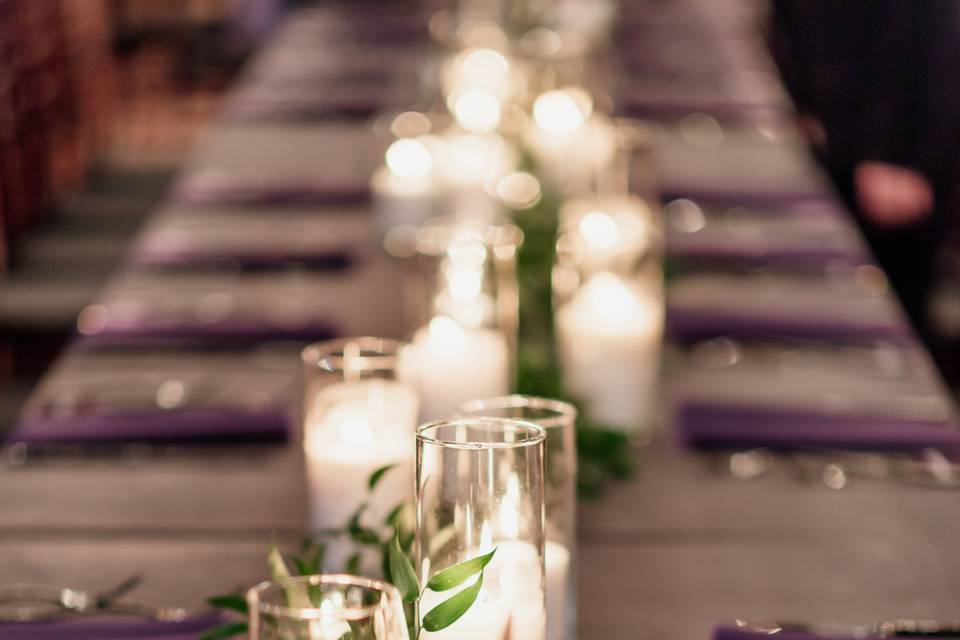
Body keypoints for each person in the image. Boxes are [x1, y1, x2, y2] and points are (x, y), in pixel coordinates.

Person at [770, 0, 960, 350]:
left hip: (898, 157)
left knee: (888, 330)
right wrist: (800, 96)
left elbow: (938, 38)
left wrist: (903, 157)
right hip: (833, 130)